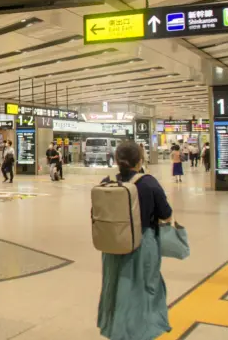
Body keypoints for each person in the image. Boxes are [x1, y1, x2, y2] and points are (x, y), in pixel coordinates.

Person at [98, 141, 173, 340]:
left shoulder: (108, 181)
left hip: (113, 244)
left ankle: (115, 328)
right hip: (142, 243)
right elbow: (166, 215)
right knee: (144, 287)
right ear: (140, 161)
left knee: (115, 286)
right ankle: (142, 331)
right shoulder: (149, 183)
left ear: (116, 160)